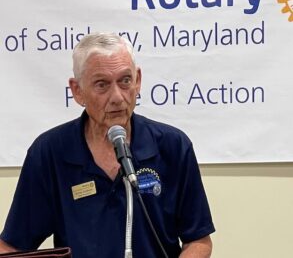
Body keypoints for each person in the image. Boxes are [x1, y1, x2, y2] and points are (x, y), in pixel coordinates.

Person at [0, 32, 215, 258]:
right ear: (77, 90)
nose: (117, 97)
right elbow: (12, 246)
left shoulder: (173, 146)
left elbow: (198, 241)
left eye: (125, 81)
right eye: (102, 84)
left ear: (138, 80)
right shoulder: (49, 153)